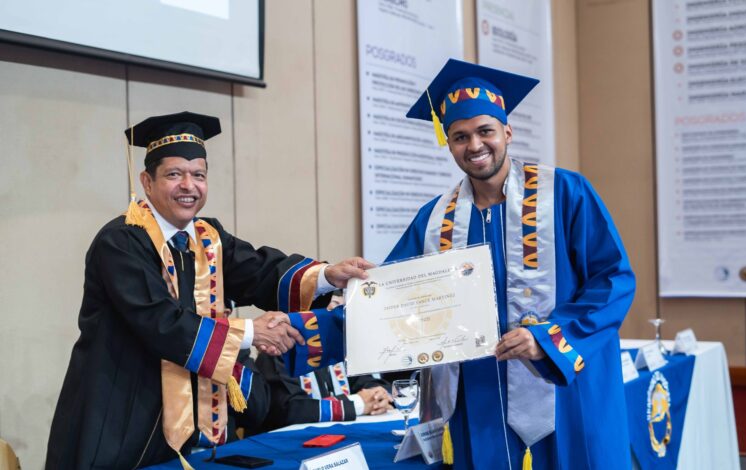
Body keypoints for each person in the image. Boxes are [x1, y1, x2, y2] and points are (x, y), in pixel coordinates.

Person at [284, 60, 636, 469]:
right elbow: (390, 305)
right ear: (448, 143)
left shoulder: (565, 194)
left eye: (485, 131)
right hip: (477, 400)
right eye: (460, 136)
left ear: (507, 132)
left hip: (565, 395)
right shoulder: (434, 221)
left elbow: (613, 280)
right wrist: (295, 331)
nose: (475, 145)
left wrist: (547, 338)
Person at [45, 112, 372, 469]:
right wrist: (252, 332)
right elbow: (162, 322)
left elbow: (260, 271)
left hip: (190, 431)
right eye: (174, 174)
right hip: (120, 420)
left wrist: (327, 275)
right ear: (147, 182)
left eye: (198, 175)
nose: (189, 185)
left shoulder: (207, 238)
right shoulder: (121, 242)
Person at [252, 355, 392, 432]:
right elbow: (291, 409)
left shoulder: (334, 348)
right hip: (293, 447)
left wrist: (377, 396)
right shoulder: (275, 353)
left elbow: (364, 381)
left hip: (342, 437)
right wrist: (358, 403)